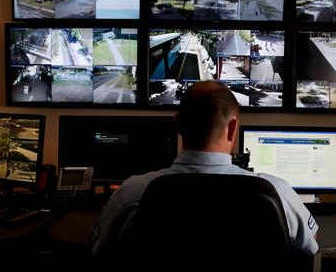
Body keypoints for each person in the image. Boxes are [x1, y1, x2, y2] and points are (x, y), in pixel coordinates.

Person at [90, 81, 319, 259]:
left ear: (177, 124)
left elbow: (99, 251)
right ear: (233, 128)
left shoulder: (131, 192)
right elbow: (311, 244)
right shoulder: (277, 192)